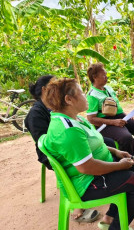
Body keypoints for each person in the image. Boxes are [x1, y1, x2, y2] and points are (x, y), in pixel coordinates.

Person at [42, 78, 134, 230]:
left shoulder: (75, 118)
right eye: (81, 93)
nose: (86, 96)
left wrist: (115, 151)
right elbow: (87, 167)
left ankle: (109, 218)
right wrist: (118, 166)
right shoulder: (69, 130)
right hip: (85, 182)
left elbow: (94, 144)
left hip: (91, 171)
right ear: (69, 99)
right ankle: (117, 228)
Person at [25, 75, 114, 223]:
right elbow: (45, 142)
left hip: (69, 145)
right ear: (44, 90)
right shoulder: (35, 114)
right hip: (56, 153)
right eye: (54, 84)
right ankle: (77, 203)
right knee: (82, 158)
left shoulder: (55, 108)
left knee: (108, 141)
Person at [86, 63, 134, 158]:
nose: (106, 77)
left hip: (120, 117)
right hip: (105, 124)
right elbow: (91, 119)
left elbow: (117, 107)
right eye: (104, 75)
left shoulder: (108, 88)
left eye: (106, 75)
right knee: (126, 138)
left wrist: (126, 116)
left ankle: (133, 158)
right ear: (95, 77)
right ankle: (124, 163)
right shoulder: (92, 95)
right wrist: (113, 122)